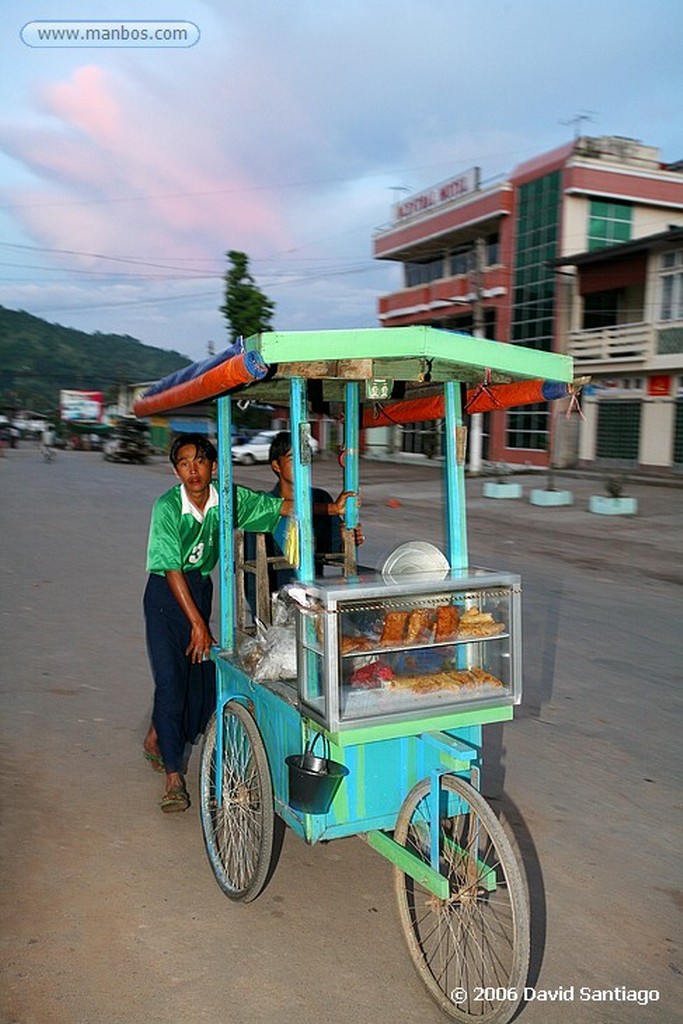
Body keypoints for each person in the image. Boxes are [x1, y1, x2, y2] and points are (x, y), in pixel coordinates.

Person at [142, 432, 354, 813]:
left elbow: (280, 507)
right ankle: (174, 778)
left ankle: (159, 732)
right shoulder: (167, 507)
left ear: (213, 466)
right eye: (185, 463)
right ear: (176, 470)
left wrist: (332, 512)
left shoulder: (229, 498)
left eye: (201, 461)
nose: (194, 469)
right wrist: (197, 623)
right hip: (165, 595)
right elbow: (170, 567)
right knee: (171, 680)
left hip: (199, 591)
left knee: (199, 679)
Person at [244, 430, 364, 607]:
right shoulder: (263, 506)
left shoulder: (320, 498)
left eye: (305, 458)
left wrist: (349, 539)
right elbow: (251, 578)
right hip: (279, 609)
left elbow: (333, 548)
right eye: (293, 459)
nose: (301, 465)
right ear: (276, 465)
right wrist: (263, 618)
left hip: (314, 603)